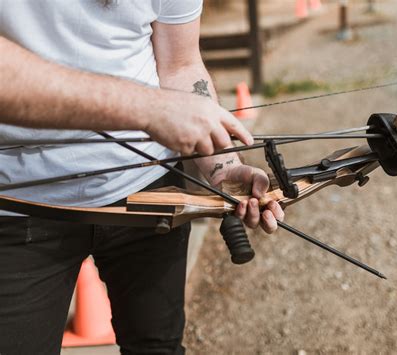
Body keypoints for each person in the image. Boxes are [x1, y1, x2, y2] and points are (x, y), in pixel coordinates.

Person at [0, 1, 284, 354]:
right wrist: (150, 109)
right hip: (18, 203)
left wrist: (223, 167)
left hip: (150, 190)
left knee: (158, 347)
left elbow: (180, 65)